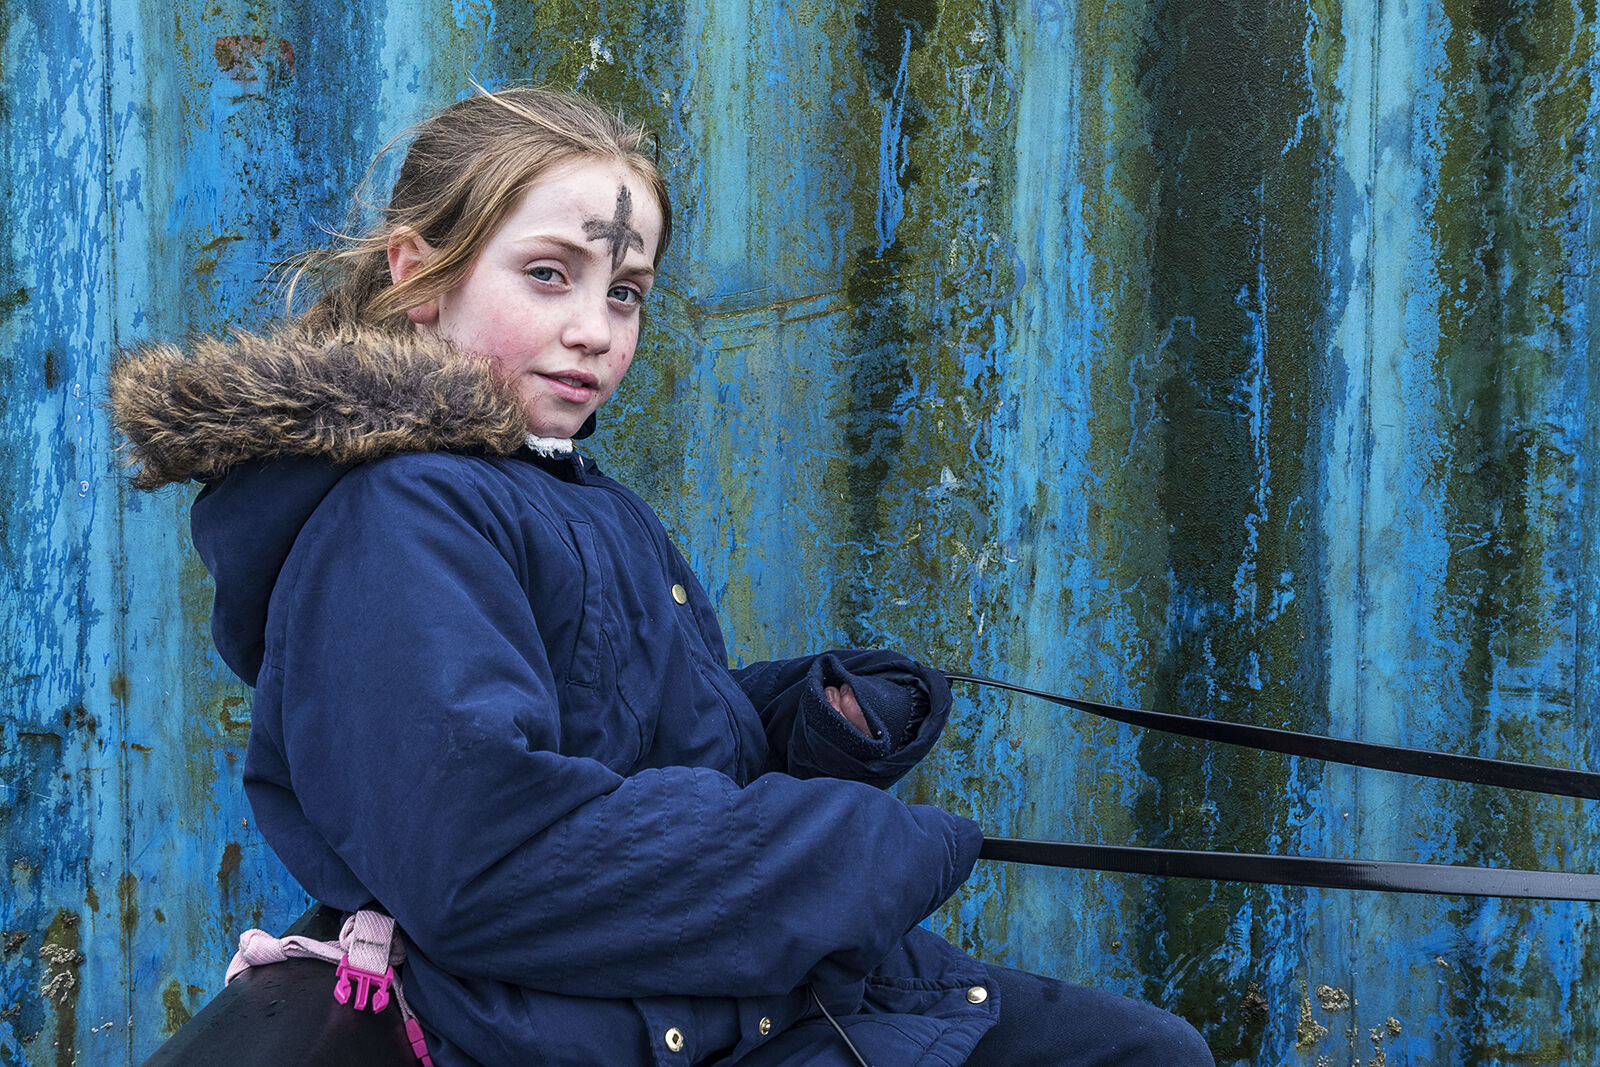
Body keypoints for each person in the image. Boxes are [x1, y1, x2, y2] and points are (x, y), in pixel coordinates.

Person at [110, 86, 1213, 1067]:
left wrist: (809, 718)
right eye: (549, 275)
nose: (594, 331)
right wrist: (850, 851)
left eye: (626, 292)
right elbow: (493, 856)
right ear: (417, 275)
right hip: (565, 1022)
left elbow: (622, 734)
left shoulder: (560, 491)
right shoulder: (400, 515)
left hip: (685, 997)